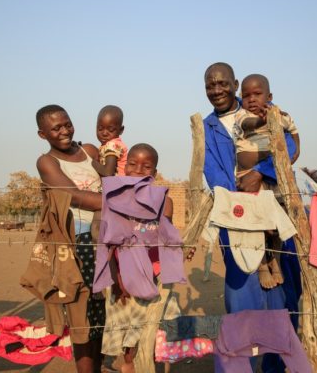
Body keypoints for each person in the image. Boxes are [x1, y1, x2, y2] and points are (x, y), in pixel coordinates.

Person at [202, 62, 300, 373]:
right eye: (210, 85)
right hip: (237, 216)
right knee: (240, 293)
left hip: (274, 212)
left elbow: (291, 145)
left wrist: (261, 172)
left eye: (223, 84)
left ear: (234, 84)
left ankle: (277, 366)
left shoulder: (264, 111)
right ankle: (238, 367)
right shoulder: (206, 126)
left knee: (285, 294)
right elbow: (212, 171)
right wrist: (239, 200)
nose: (217, 90)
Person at [36, 104, 105, 373]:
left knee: (101, 313)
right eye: (56, 128)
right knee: (82, 314)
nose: (64, 131)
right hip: (77, 242)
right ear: (43, 134)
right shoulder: (47, 162)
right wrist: (119, 202)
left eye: (67, 124)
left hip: (105, 238)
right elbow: (73, 196)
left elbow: (111, 179)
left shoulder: (89, 151)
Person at [100, 143, 179, 373]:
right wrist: (116, 278)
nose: (137, 170)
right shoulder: (115, 201)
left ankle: (145, 363)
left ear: (154, 174)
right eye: (132, 164)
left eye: (146, 167)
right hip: (122, 276)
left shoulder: (164, 201)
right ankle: (128, 364)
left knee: (150, 328)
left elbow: (167, 239)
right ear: (124, 168)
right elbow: (109, 244)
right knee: (125, 328)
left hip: (154, 276)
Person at [237, 73, 301, 289]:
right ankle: (263, 264)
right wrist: (264, 120)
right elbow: (249, 124)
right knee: (258, 222)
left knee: (277, 223)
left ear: (269, 95)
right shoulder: (242, 116)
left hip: (276, 177)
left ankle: (276, 259)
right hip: (251, 179)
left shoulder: (281, 114)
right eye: (246, 96)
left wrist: (295, 146)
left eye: (257, 94)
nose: (251, 99)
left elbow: (293, 132)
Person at [91, 105, 128, 177]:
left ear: (121, 130)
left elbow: (108, 172)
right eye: (100, 128)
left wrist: (90, 161)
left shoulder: (113, 145)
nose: (104, 133)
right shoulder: (108, 145)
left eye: (110, 130)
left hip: (117, 184)